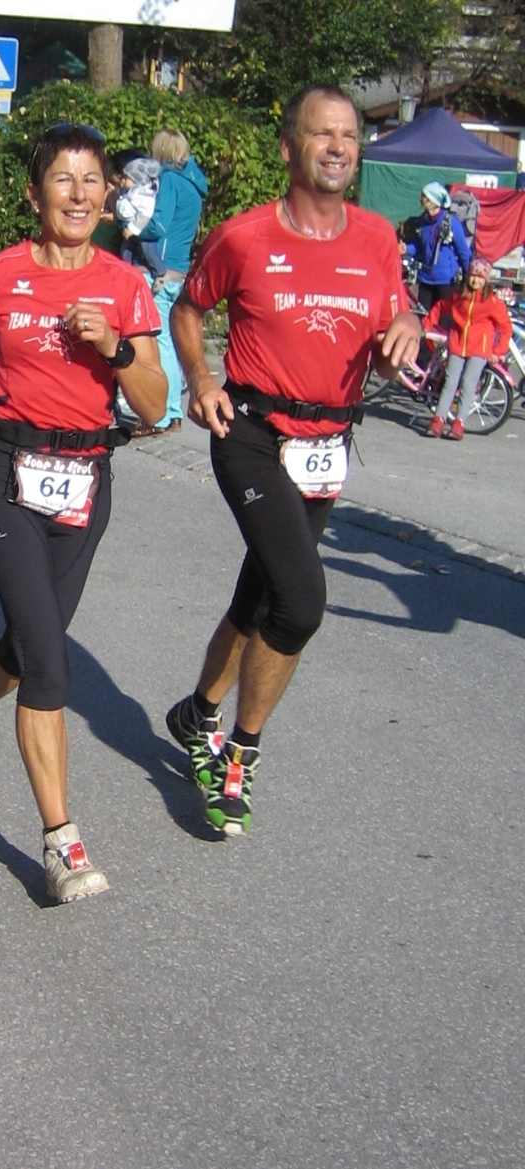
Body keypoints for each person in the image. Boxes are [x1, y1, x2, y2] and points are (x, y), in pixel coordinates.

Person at [0, 123, 167, 904]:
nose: (81, 193)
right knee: (48, 656)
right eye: (64, 179)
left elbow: (156, 406)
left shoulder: (126, 285)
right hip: (4, 474)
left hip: (87, 479)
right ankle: (62, 842)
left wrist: (117, 352)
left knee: (30, 647)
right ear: (34, 194)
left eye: (94, 180)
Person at [166, 83, 420, 837]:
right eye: (322, 134)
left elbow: (389, 318)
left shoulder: (377, 237)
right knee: (301, 601)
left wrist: (402, 325)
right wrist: (202, 380)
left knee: (262, 596)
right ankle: (236, 753)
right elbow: (188, 308)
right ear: (290, 148)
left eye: (348, 135)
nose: (338, 146)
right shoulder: (243, 237)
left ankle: (197, 711)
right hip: (250, 432)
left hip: (330, 444)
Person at [133, 128, 208, 437]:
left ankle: (161, 414)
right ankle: (173, 412)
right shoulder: (194, 185)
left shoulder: (170, 180)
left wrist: (133, 227)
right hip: (179, 267)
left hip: (159, 270)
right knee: (169, 343)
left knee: (158, 341)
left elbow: (159, 224)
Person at [421, 255, 511, 439]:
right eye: (473, 275)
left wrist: (498, 351)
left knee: (469, 384)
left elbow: (505, 327)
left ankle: (459, 422)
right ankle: (438, 419)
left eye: (480, 277)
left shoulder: (492, 303)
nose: (475, 280)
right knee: (450, 382)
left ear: (486, 280)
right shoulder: (458, 297)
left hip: (479, 347)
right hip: (458, 343)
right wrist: (427, 324)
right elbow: (440, 307)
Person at [400, 181, 472, 311]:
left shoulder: (451, 222)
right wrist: (407, 249)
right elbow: (420, 246)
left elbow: (463, 252)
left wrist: (470, 277)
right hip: (425, 280)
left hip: (447, 282)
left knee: (444, 322)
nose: (420, 199)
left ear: (433, 200)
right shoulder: (422, 221)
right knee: (423, 318)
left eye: (424, 196)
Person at [114, 155, 167, 281]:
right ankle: (127, 270)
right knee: (126, 249)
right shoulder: (131, 192)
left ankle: (160, 271)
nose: (123, 181)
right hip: (130, 228)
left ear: (136, 180)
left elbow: (144, 215)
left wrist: (132, 229)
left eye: (126, 178)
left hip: (138, 229)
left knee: (148, 249)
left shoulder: (144, 196)